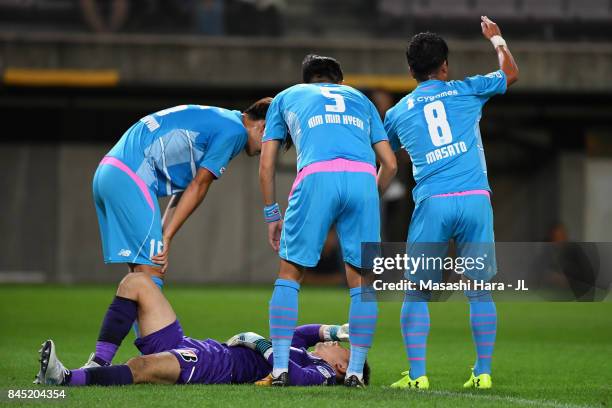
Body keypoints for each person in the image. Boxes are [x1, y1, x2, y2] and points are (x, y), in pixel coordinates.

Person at [383, 16, 519, 390]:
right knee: (479, 289)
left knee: (416, 290)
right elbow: (510, 73)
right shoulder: (466, 90)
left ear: (411, 70)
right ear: (444, 66)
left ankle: (417, 376)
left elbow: (386, 157)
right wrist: (497, 40)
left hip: (434, 202)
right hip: (476, 199)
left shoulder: (396, 113)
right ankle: (484, 372)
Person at [87, 98, 270, 365]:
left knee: (141, 277)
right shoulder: (236, 132)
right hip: (131, 179)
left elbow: (185, 188)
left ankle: (143, 360)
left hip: (110, 172)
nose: (270, 152)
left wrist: (163, 234)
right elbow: (199, 185)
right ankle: (113, 363)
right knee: (151, 273)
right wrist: (168, 237)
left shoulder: (222, 119)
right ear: (263, 127)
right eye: (274, 143)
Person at [259, 54, 397, 387]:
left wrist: (271, 215)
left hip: (316, 176)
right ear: (340, 80)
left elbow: (266, 166)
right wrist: (366, 197)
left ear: (307, 80)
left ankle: (279, 368)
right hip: (363, 179)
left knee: (290, 274)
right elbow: (390, 164)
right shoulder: (361, 100)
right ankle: (355, 373)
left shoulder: (287, 97)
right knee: (361, 284)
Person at [34, 272, 364, 387]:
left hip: (213, 365)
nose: (333, 346)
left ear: (342, 366)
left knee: (141, 368)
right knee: (136, 283)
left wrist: (255, 341)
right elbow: (302, 335)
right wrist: (337, 331)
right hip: (194, 346)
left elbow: (292, 376)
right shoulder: (304, 352)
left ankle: (63, 380)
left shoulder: (320, 371)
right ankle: (98, 363)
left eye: (343, 351)